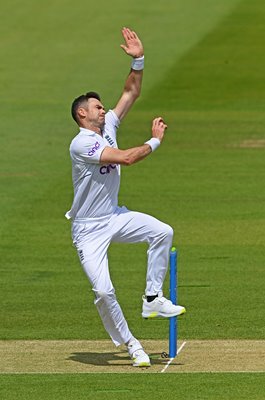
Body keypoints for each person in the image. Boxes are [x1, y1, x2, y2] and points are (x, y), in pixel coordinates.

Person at [66, 27, 186, 367]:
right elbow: (127, 159)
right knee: (103, 292)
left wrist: (139, 59)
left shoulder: (107, 128)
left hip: (114, 216)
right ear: (82, 115)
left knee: (161, 231)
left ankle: (152, 297)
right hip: (88, 229)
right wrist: (155, 141)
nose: (104, 111)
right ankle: (132, 344)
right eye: (97, 108)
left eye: (103, 107)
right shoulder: (82, 143)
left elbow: (130, 93)